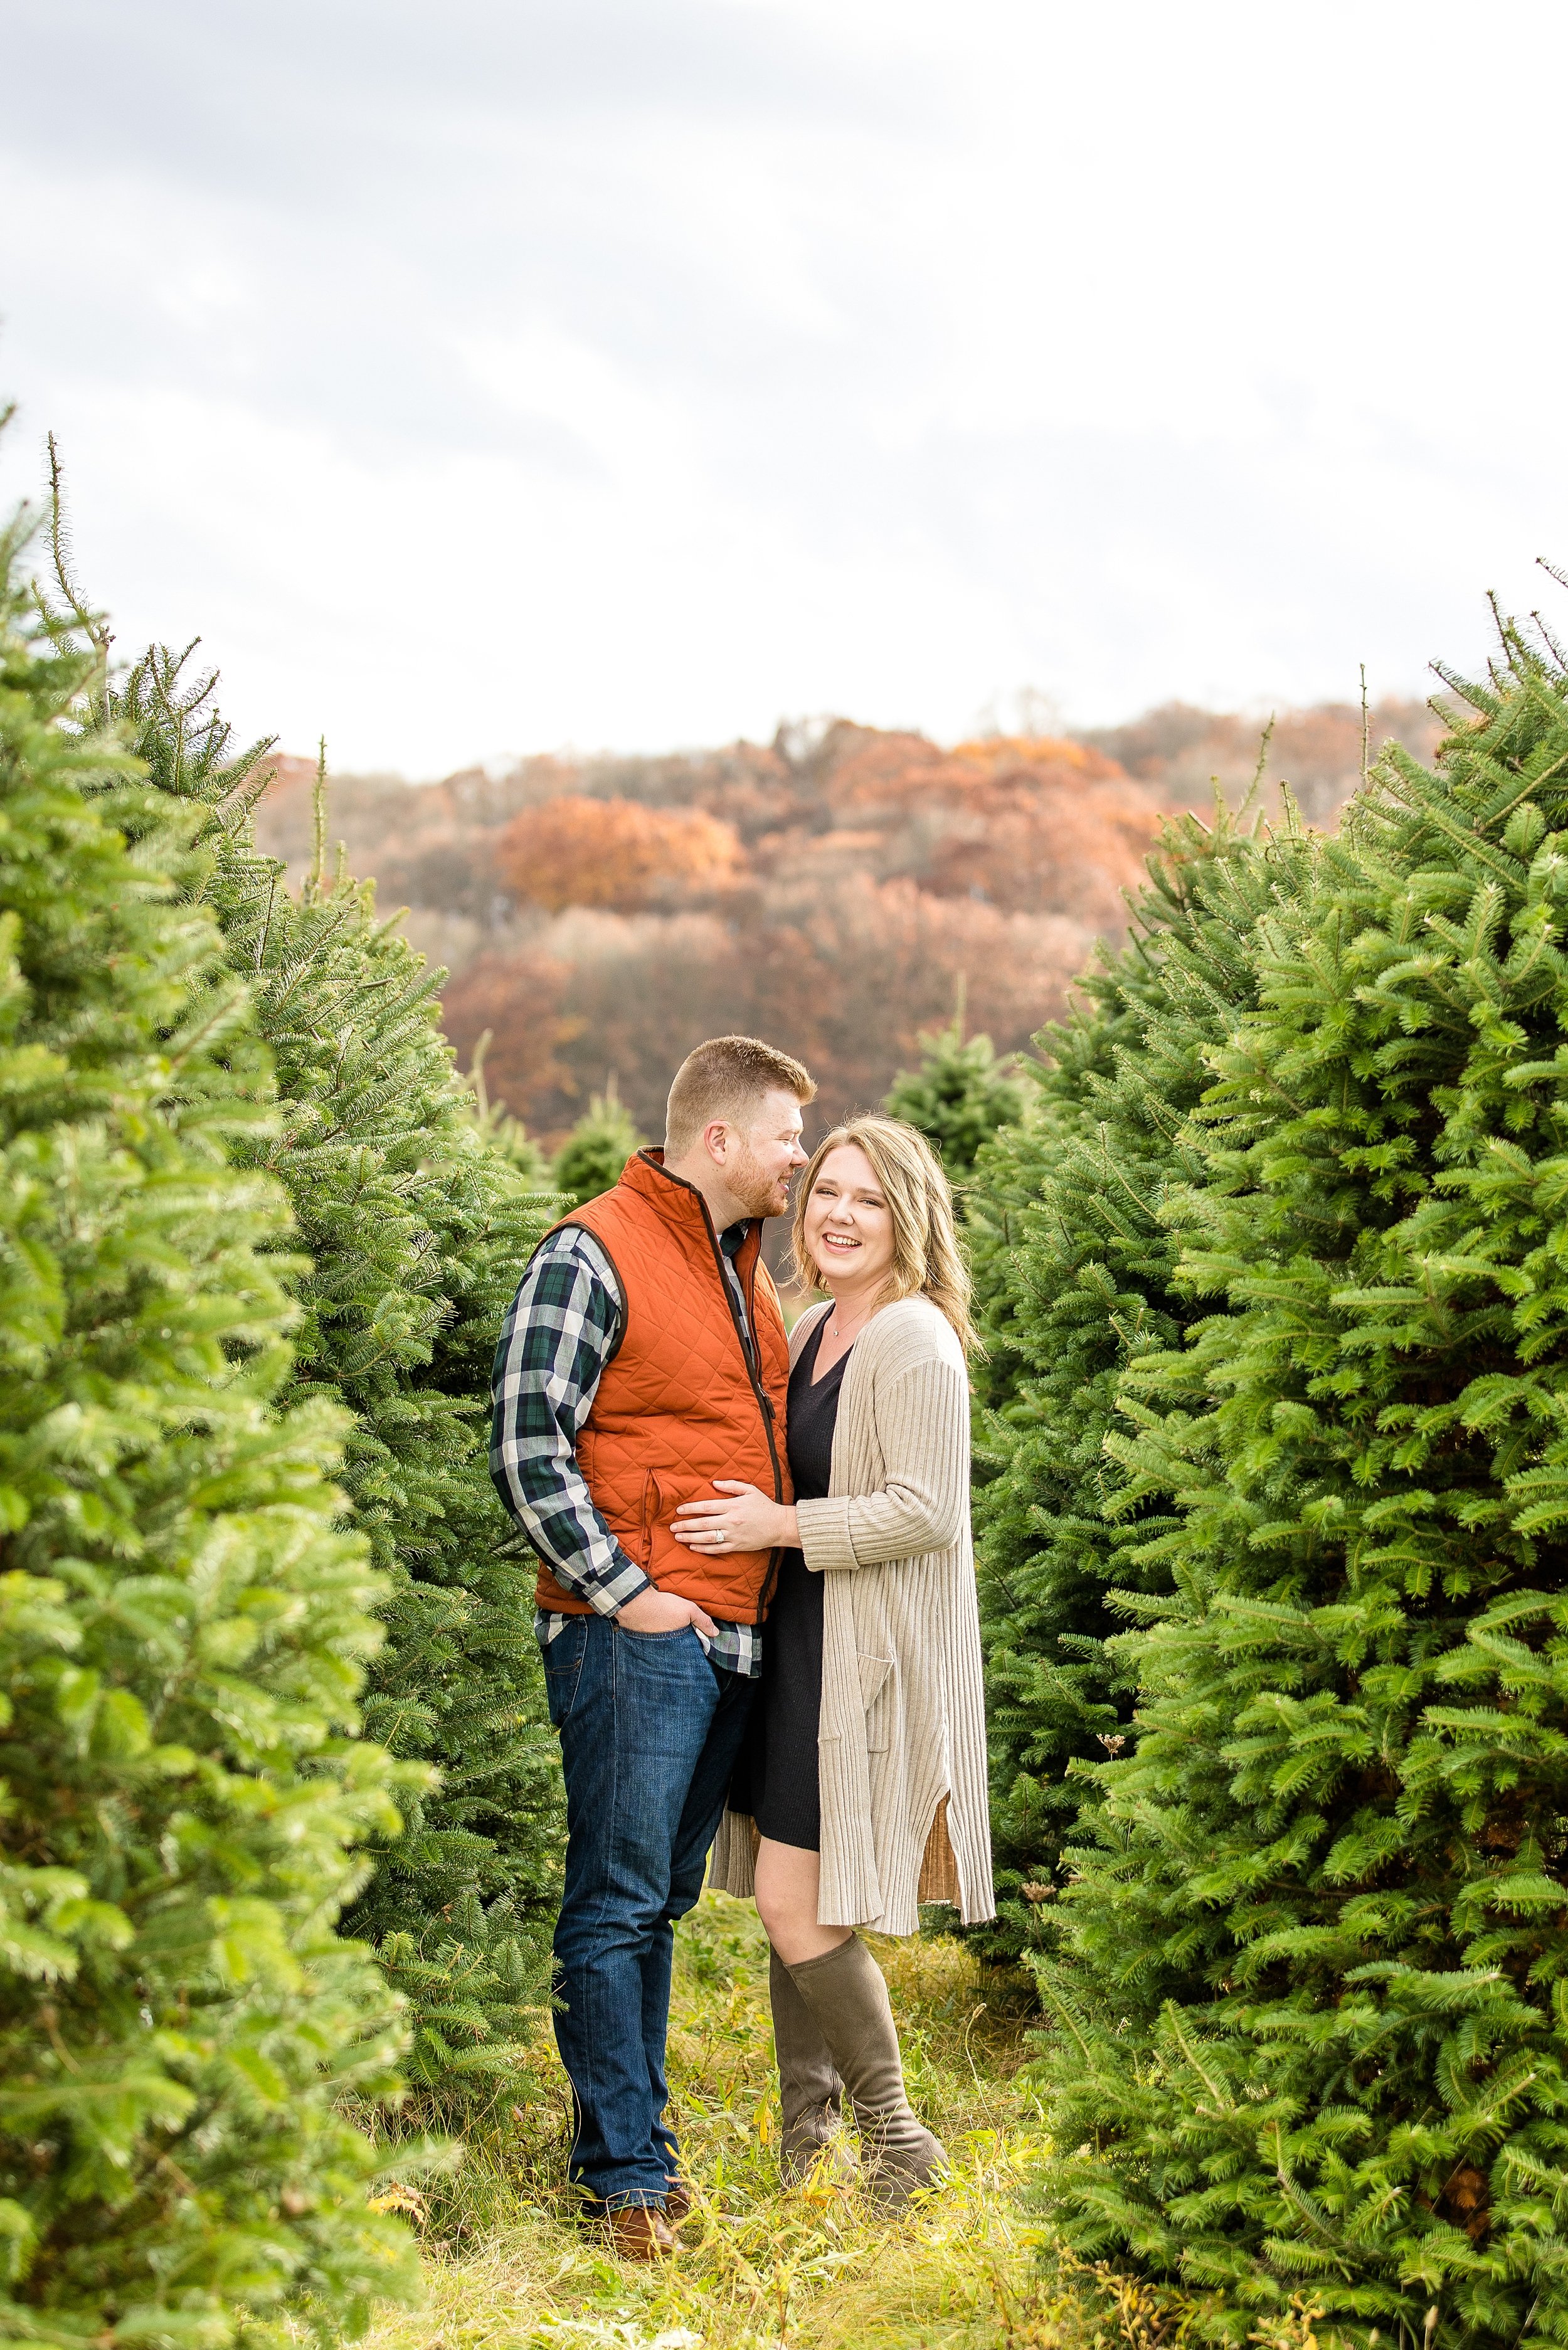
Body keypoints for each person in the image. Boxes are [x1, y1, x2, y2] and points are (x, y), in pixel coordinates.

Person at [490, 1035, 814, 2259]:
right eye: (785, 1132)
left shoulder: (744, 1275)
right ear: (719, 1135)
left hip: (726, 1637)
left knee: (655, 1905)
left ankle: (636, 2155)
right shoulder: (595, 1248)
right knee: (617, 1901)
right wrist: (623, 1590)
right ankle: (619, 2180)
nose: (799, 1155)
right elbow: (528, 1438)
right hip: (638, 1636)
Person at [678, 1115, 994, 2207]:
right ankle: (807, 2148)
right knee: (793, 1899)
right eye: (826, 1194)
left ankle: (899, 2144)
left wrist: (779, 1527)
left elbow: (925, 1511)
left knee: (789, 1898)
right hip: (800, 1645)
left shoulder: (915, 1338)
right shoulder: (814, 1326)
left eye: (867, 1198)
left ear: (908, 1215)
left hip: (867, 1659)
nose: (841, 1215)